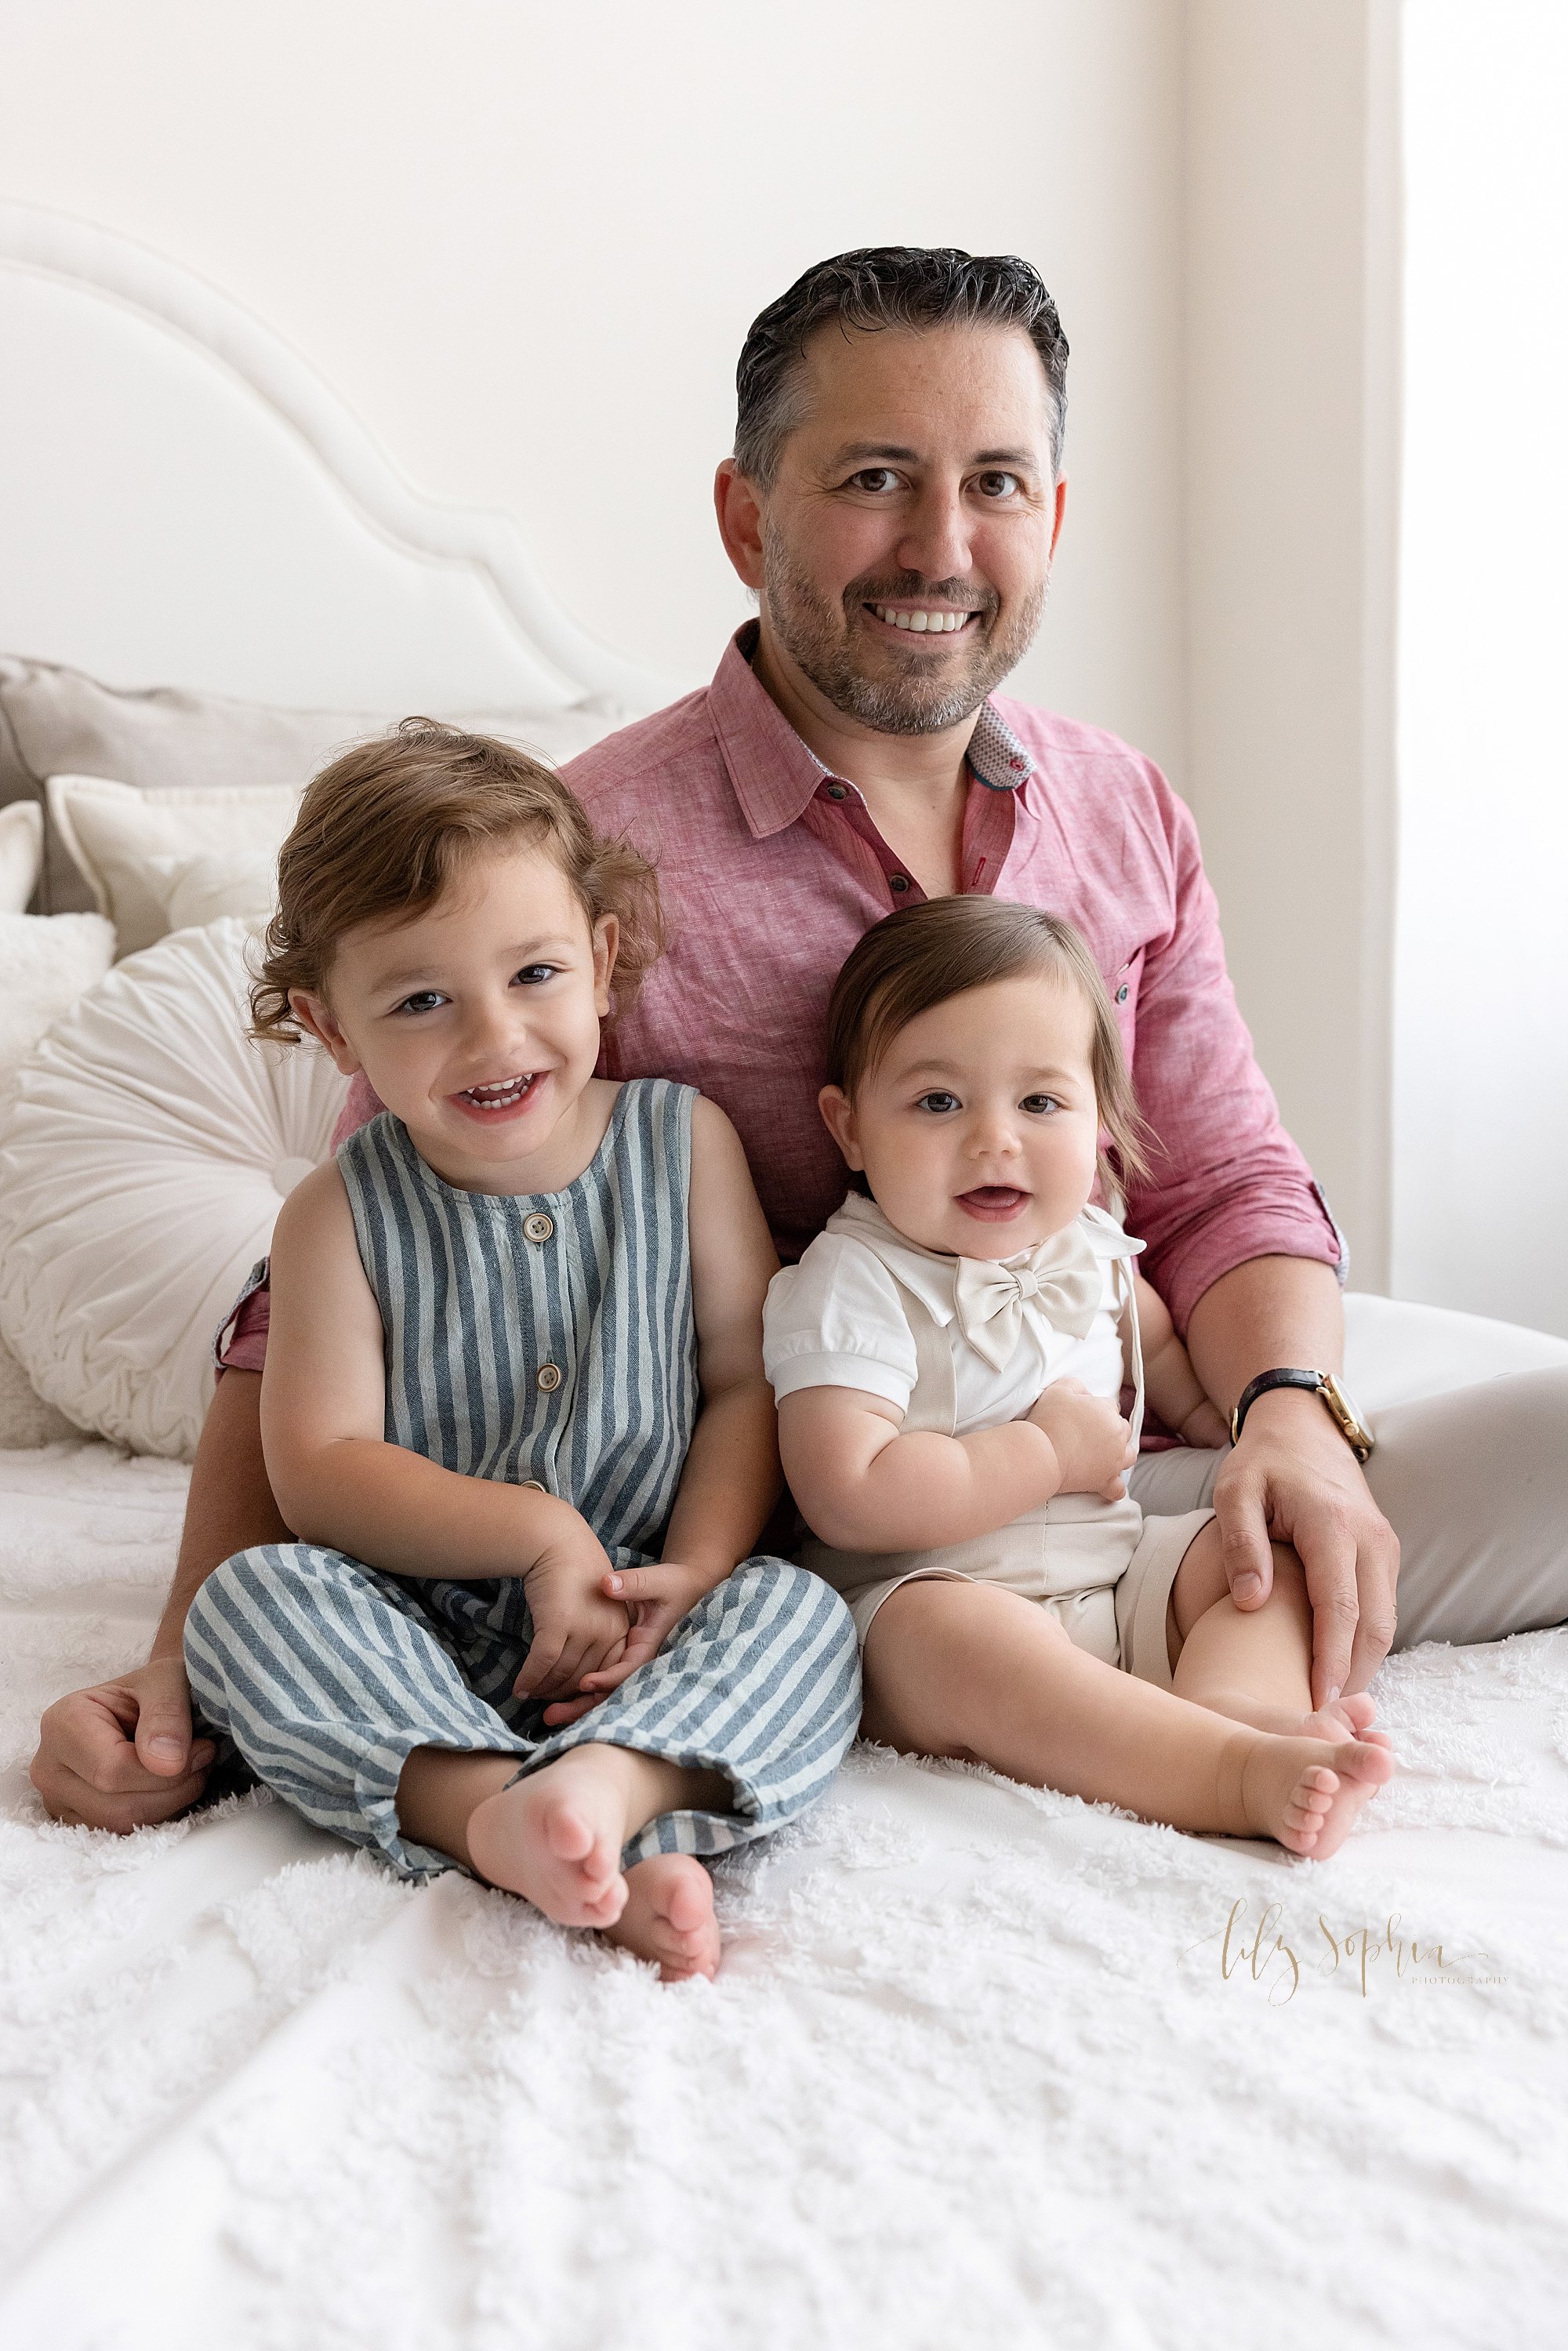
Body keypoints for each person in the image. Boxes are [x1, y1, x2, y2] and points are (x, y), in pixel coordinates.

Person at [33, 245, 1568, 1834]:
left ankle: (1220, 1660)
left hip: (1128, 1473)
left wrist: (1293, 1421)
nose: (940, 543)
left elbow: (1227, 1180)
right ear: (747, 515)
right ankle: (1164, 1729)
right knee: (921, 1613)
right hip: (839, 1539)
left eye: (993, 480)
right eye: (875, 478)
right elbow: (337, 1282)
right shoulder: (584, 863)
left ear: (1052, 514)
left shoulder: (1122, 807)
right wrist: (175, 1653)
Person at [179, 724, 859, 1979]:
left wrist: (703, 1565)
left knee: (804, 1610)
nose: (494, 1040)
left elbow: (740, 1379)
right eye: (423, 1000)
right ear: (334, 1029)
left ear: (603, 962)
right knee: (250, 1603)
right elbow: (320, 1467)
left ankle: (606, 1786)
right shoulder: (336, 1209)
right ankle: (491, 1807)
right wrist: (535, 1533)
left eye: (533, 973)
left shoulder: (685, 1144)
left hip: (648, 1611)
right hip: (410, 1620)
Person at [764, 897, 1395, 1856]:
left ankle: (1231, 1708)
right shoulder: (851, 1282)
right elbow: (846, 1494)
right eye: (938, 1101)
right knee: (952, 1635)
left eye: (1039, 1102)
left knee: (1258, 1559)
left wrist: (1233, 1432)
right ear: (848, 1127)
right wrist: (1043, 1450)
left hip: (1112, 1572)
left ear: (1098, 1119)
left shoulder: (1087, 1241)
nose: (993, 1138)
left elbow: (1159, 1350)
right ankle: (1214, 1772)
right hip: (923, 1600)